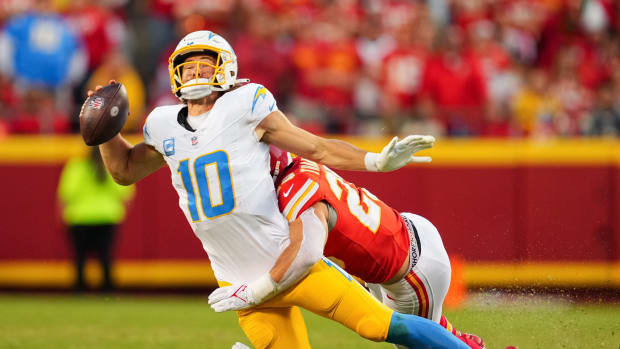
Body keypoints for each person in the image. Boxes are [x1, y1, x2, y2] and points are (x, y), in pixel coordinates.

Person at [90, 30, 468, 349]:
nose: (194, 73)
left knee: (377, 326)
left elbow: (315, 146)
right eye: (187, 67)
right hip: (235, 278)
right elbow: (124, 171)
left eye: (204, 65)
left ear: (226, 68)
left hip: (288, 265)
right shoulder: (162, 124)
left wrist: (373, 161)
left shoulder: (245, 104)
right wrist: (104, 131)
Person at [260, 146, 488, 349]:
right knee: (420, 327)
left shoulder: (294, 192)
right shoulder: (302, 165)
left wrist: (258, 290)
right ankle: (463, 341)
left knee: (416, 338)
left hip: (411, 271)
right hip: (406, 235)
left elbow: (306, 254)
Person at [57, 146, 134, 291]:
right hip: (107, 217)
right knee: (105, 257)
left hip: (79, 218)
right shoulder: (113, 167)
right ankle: (108, 289)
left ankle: (80, 290)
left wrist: (62, 216)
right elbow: (126, 194)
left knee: (80, 259)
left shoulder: (76, 167)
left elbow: (65, 195)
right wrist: (119, 212)